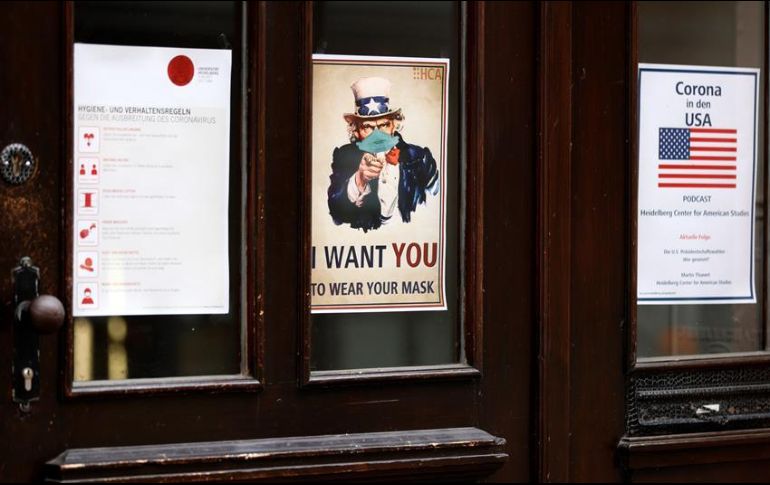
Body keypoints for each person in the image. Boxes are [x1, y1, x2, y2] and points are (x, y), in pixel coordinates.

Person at [327, 76, 439, 232]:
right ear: (356, 131)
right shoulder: (343, 156)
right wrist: (360, 179)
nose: (378, 135)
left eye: (384, 125)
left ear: (394, 125)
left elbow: (437, 206)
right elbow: (336, 212)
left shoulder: (420, 157)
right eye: (368, 127)